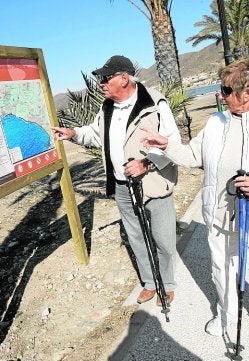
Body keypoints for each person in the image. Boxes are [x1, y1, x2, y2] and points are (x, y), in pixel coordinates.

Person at [140, 59, 249, 336]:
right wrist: (166, 144)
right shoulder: (216, 123)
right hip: (220, 214)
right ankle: (227, 314)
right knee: (222, 268)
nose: (221, 95)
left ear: (248, 93)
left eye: (226, 90)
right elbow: (194, 156)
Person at [52, 55, 181, 306]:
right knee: (136, 235)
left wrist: (147, 163)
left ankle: (167, 282)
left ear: (124, 78)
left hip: (154, 182)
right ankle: (150, 282)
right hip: (122, 186)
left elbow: (172, 141)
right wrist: (73, 133)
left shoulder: (154, 103)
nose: (100, 82)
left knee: (163, 237)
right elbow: (95, 134)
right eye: (99, 78)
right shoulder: (107, 107)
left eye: (105, 77)